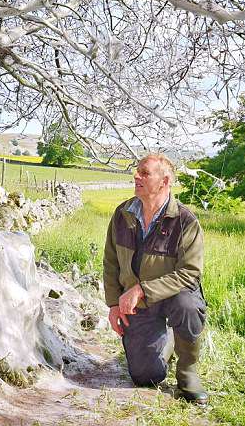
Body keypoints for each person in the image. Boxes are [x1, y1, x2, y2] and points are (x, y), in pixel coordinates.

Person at [102, 153, 209, 404]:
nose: (136, 176)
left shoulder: (185, 221)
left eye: (145, 172)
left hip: (175, 296)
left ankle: (187, 373)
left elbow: (190, 272)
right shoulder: (122, 214)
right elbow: (110, 262)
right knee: (145, 377)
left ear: (165, 181)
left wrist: (141, 290)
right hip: (139, 304)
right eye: (137, 171)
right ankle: (167, 343)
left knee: (188, 306)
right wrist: (113, 304)